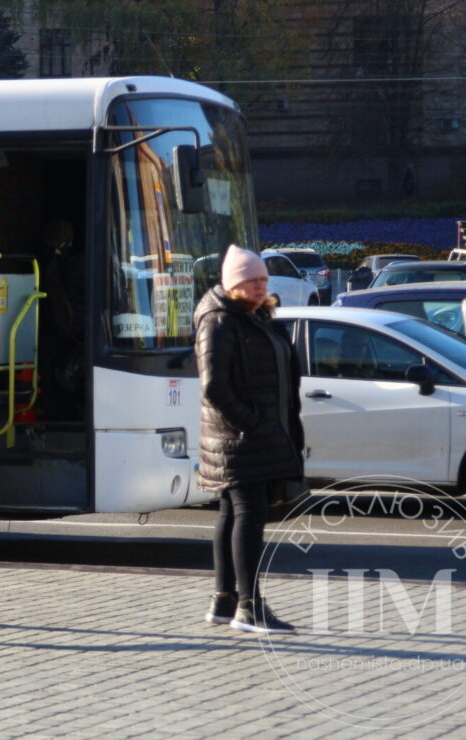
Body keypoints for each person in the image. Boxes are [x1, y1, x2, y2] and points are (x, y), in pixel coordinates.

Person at [193, 244, 304, 634]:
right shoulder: (220, 321)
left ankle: (224, 601)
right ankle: (249, 607)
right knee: (249, 516)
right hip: (240, 440)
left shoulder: (253, 318)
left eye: (263, 280)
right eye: (252, 281)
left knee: (232, 513)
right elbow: (214, 387)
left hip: (248, 437)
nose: (260, 286)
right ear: (233, 284)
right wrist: (255, 424)